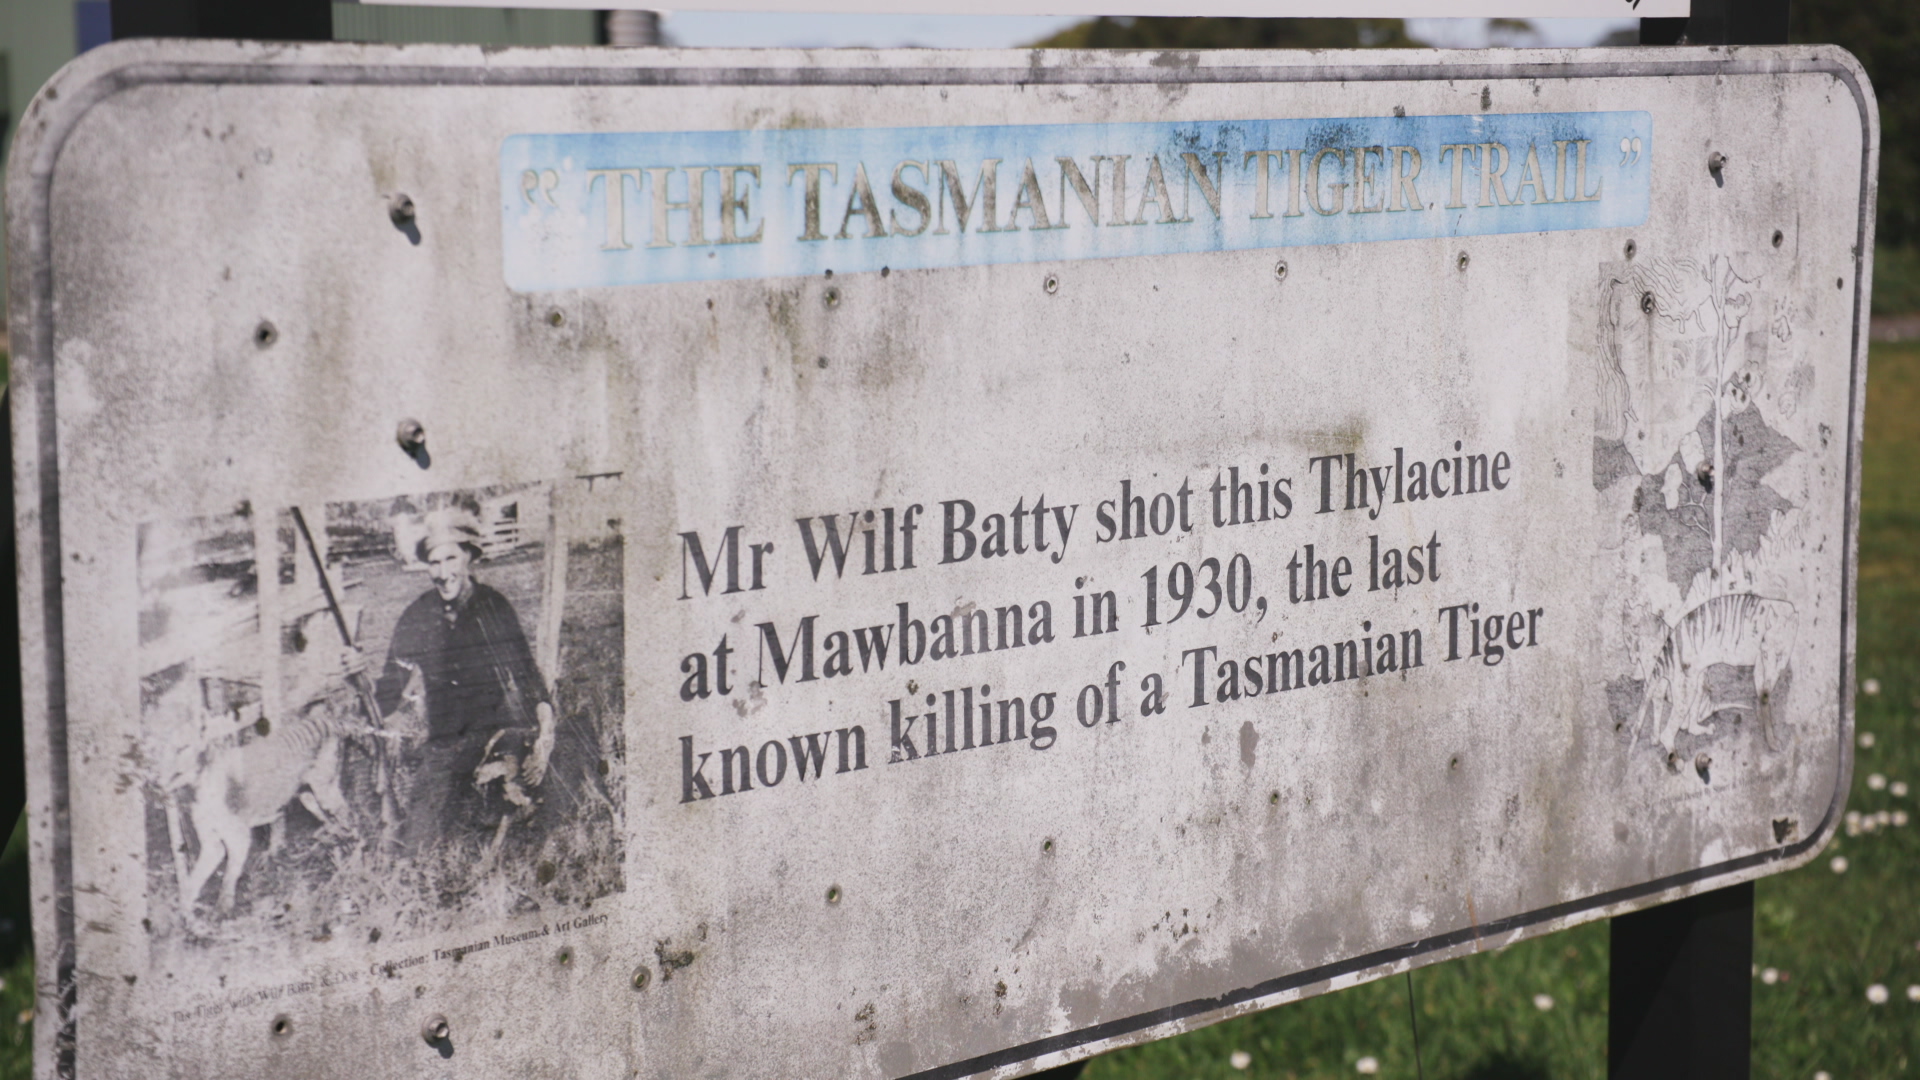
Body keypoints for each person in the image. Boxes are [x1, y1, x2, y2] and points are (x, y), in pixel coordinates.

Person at [348, 507, 554, 856]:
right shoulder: (418, 615)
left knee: (517, 827)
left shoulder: (494, 607)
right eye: (434, 562)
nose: (442, 574)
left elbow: (526, 674)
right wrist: (356, 675)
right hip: (444, 743)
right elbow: (387, 695)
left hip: (498, 734)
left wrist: (546, 730)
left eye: (450, 559)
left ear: (469, 557)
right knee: (417, 847)